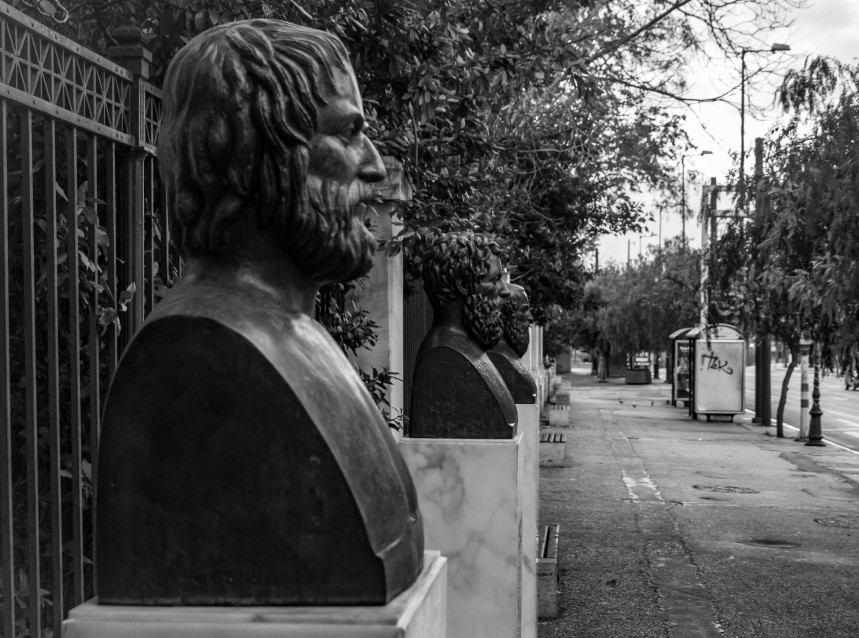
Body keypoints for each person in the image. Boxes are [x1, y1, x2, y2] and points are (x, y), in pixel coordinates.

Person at [95, 19, 423, 606]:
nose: (373, 166)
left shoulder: (301, 339)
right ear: (249, 154)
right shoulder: (197, 357)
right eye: (346, 134)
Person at [409, 231, 518, 438]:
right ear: (463, 284)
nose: (504, 290)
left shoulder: (470, 352)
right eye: (495, 279)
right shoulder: (443, 358)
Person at [487, 282, 537, 404]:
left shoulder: (510, 358)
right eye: (524, 310)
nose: (530, 317)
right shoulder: (496, 358)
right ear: (503, 315)